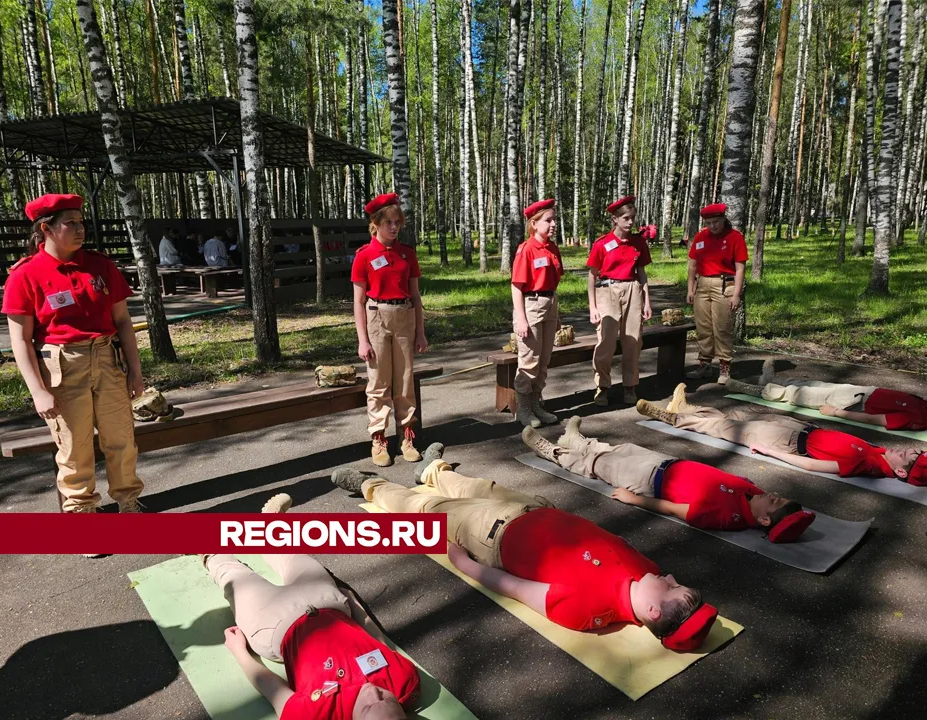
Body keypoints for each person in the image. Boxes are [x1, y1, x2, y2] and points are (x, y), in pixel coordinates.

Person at [330, 449, 719, 652]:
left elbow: (515, 587)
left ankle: (371, 486)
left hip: (491, 535)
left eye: (671, 588)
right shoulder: (648, 568)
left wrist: (465, 564)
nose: (669, 577)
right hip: (533, 507)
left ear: (653, 612)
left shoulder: (587, 610)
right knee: (475, 485)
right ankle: (434, 471)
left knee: (425, 511)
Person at [204, 494, 419, 719]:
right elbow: (380, 643)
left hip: (275, 628)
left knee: (233, 578)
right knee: (292, 555)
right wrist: (356, 607)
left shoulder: (314, 715)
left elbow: (271, 688)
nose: (373, 691)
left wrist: (239, 650)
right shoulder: (405, 681)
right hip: (328, 603)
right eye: (386, 698)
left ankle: (209, 553)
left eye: (367, 707)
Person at [1, 193, 145, 513]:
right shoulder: (25, 275)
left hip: (107, 359)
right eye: (70, 223)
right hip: (62, 365)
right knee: (74, 447)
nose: (80, 229)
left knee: (120, 439)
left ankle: (128, 500)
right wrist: (38, 390)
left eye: (81, 222)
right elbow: (21, 340)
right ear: (46, 228)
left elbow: (122, 321)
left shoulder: (99, 265)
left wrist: (135, 371)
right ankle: (81, 511)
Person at [521, 417, 815, 541]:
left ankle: (555, 452)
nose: (772, 494)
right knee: (619, 450)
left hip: (650, 482)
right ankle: (577, 440)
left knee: (599, 465)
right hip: (666, 464)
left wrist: (634, 499)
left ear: (764, 520)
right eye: (778, 495)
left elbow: (675, 510)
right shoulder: (754, 494)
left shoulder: (728, 517)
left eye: (775, 501)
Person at [637, 384, 927, 484]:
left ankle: (671, 417)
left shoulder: (871, 466)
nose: (906, 451)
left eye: (909, 457)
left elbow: (814, 465)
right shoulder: (879, 454)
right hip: (800, 429)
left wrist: (770, 452)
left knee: (721, 428)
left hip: (787, 442)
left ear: (902, 473)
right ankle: (688, 408)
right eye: (914, 450)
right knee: (737, 416)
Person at [350, 193, 428, 467]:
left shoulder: (407, 254)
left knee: (405, 379)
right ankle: (379, 438)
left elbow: (416, 296)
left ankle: (407, 436)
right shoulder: (364, 256)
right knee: (379, 380)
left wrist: (420, 331)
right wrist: (363, 340)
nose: (394, 227)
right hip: (376, 317)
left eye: (397, 222)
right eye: (388, 223)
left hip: (404, 314)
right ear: (376, 224)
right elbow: (358, 301)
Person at [726, 359, 927, 431]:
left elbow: (873, 419)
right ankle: (771, 381)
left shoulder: (917, 419)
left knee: (802, 395)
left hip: (854, 403)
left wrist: (836, 413)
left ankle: (758, 390)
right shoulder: (923, 406)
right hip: (864, 392)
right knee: (815, 384)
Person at [587, 195, 653, 408]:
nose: (630, 222)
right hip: (607, 291)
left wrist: (647, 302)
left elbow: (641, 274)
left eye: (632, 217)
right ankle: (602, 386)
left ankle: (630, 385)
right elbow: (592, 276)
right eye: (625, 218)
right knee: (605, 341)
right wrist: (593, 306)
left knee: (633, 340)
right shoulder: (603, 244)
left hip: (632, 290)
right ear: (615, 219)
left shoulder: (638, 243)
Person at [510, 198, 564, 428]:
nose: (553, 225)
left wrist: (556, 313)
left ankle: (536, 404)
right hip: (531, 305)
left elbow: (554, 281)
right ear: (534, 223)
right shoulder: (527, 249)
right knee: (529, 360)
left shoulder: (552, 247)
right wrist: (521, 318)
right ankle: (523, 409)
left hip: (549, 303)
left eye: (554, 220)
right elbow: (516, 286)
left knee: (543, 361)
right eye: (548, 220)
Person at [685, 203, 748, 384]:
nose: (712, 226)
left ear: (723, 220)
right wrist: (690, 288)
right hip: (702, 284)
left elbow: (740, 268)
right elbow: (693, 265)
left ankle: (724, 367)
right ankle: (704, 364)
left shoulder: (735, 237)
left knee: (722, 327)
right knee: (703, 327)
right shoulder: (701, 236)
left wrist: (736, 294)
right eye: (709, 223)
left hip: (724, 284)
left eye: (716, 222)